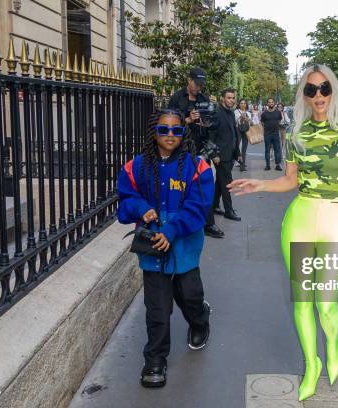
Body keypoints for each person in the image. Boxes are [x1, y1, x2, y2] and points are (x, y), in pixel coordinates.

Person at [228, 64, 338, 401]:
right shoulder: (296, 133)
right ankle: (312, 363)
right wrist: (259, 184)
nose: (319, 95)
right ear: (304, 96)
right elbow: (290, 180)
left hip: (336, 217)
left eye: (324, 88)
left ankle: (333, 344)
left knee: (326, 304)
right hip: (300, 218)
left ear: (332, 91)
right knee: (302, 302)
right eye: (311, 90)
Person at [117, 109, 214, 388]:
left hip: (184, 246)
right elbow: (125, 200)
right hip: (152, 249)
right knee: (157, 308)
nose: (170, 135)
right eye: (163, 130)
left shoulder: (198, 168)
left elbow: (198, 208)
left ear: (183, 134)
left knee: (190, 296)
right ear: (154, 132)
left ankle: (200, 320)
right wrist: (141, 208)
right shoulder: (134, 167)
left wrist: (171, 230)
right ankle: (155, 360)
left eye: (176, 130)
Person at [167, 67, 224, 238]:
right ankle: (178, 223)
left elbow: (213, 124)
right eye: (196, 84)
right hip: (180, 150)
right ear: (189, 80)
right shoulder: (177, 98)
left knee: (203, 188)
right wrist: (188, 119)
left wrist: (206, 123)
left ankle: (208, 224)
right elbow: (168, 124)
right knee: (178, 187)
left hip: (200, 151)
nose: (199, 88)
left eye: (201, 85)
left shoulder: (203, 99)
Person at [211, 88, 242, 221]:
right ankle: (229, 211)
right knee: (227, 183)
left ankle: (214, 206)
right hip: (221, 156)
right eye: (229, 98)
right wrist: (214, 154)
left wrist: (237, 153)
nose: (232, 100)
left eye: (233, 98)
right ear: (222, 98)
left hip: (229, 153)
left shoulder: (230, 113)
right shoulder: (217, 113)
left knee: (220, 182)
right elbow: (211, 135)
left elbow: (233, 135)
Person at [261, 98, 284, 171]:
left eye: (272, 102)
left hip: (276, 134)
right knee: (267, 150)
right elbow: (262, 123)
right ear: (267, 104)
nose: (271, 103)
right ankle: (267, 165)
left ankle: (278, 165)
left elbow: (279, 120)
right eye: (269, 102)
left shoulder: (278, 112)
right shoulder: (264, 113)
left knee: (277, 149)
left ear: (274, 103)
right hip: (267, 134)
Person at [235, 98, 252, 172]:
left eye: (244, 103)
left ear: (246, 105)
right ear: (239, 104)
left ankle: (242, 165)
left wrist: (247, 118)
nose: (243, 104)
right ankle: (237, 161)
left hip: (246, 131)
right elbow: (236, 121)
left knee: (244, 149)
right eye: (241, 103)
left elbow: (250, 122)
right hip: (238, 130)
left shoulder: (248, 113)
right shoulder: (236, 111)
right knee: (237, 147)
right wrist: (241, 117)